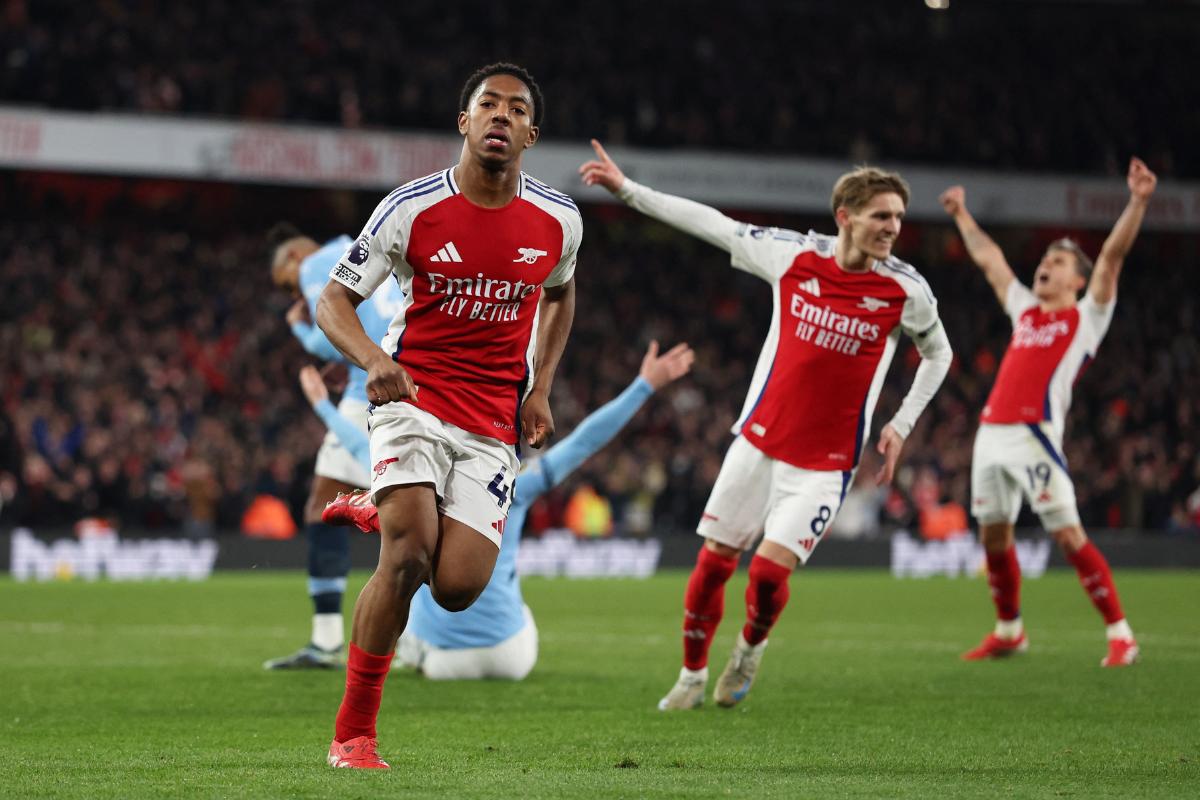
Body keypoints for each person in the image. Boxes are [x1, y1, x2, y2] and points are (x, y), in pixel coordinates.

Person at [579, 141, 953, 710]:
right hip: (756, 445)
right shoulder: (793, 256)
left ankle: (749, 650)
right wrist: (629, 191)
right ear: (846, 217)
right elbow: (714, 225)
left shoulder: (906, 290)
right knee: (710, 569)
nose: (893, 227)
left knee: (767, 577)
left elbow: (939, 354)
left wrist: (901, 424)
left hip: (824, 467)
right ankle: (690, 676)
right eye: (882, 215)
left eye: (899, 217)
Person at [315, 63, 581, 769]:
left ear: (531, 132)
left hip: (493, 422)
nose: (500, 115)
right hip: (415, 402)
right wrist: (374, 359)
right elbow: (332, 302)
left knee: (459, 588)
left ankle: (380, 503)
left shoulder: (559, 220)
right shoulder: (411, 207)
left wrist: (541, 387)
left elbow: (560, 294)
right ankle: (354, 736)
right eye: (486, 105)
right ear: (464, 123)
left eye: (515, 109)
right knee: (404, 558)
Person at [313, 340, 694, 680]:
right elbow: (583, 443)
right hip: (512, 655)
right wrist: (643, 385)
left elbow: (358, 445)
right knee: (491, 586)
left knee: (406, 564)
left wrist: (322, 407)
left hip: (444, 664)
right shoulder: (514, 483)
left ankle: (380, 526)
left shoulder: (414, 458)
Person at [940, 157, 1157, 667]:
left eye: (1060, 262)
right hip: (990, 434)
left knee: (1067, 534)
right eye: (1046, 257)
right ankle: (1010, 630)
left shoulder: (1086, 319)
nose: (1047, 264)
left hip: (1034, 435)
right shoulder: (1025, 310)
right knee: (994, 535)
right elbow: (992, 261)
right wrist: (961, 216)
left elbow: (1111, 257)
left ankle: (1121, 634)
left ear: (1079, 281)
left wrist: (1139, 201)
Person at [265, 223, 403, 670]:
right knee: (410, 515)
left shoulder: (313, 266)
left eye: (289, 287)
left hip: (366, 391)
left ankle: (326, 642)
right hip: (407, 384)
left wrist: (301, 334)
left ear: (292, 259)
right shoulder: (361, 248)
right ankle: (424, 638)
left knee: (322, 506)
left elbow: (331, 333)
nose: (296, 296)